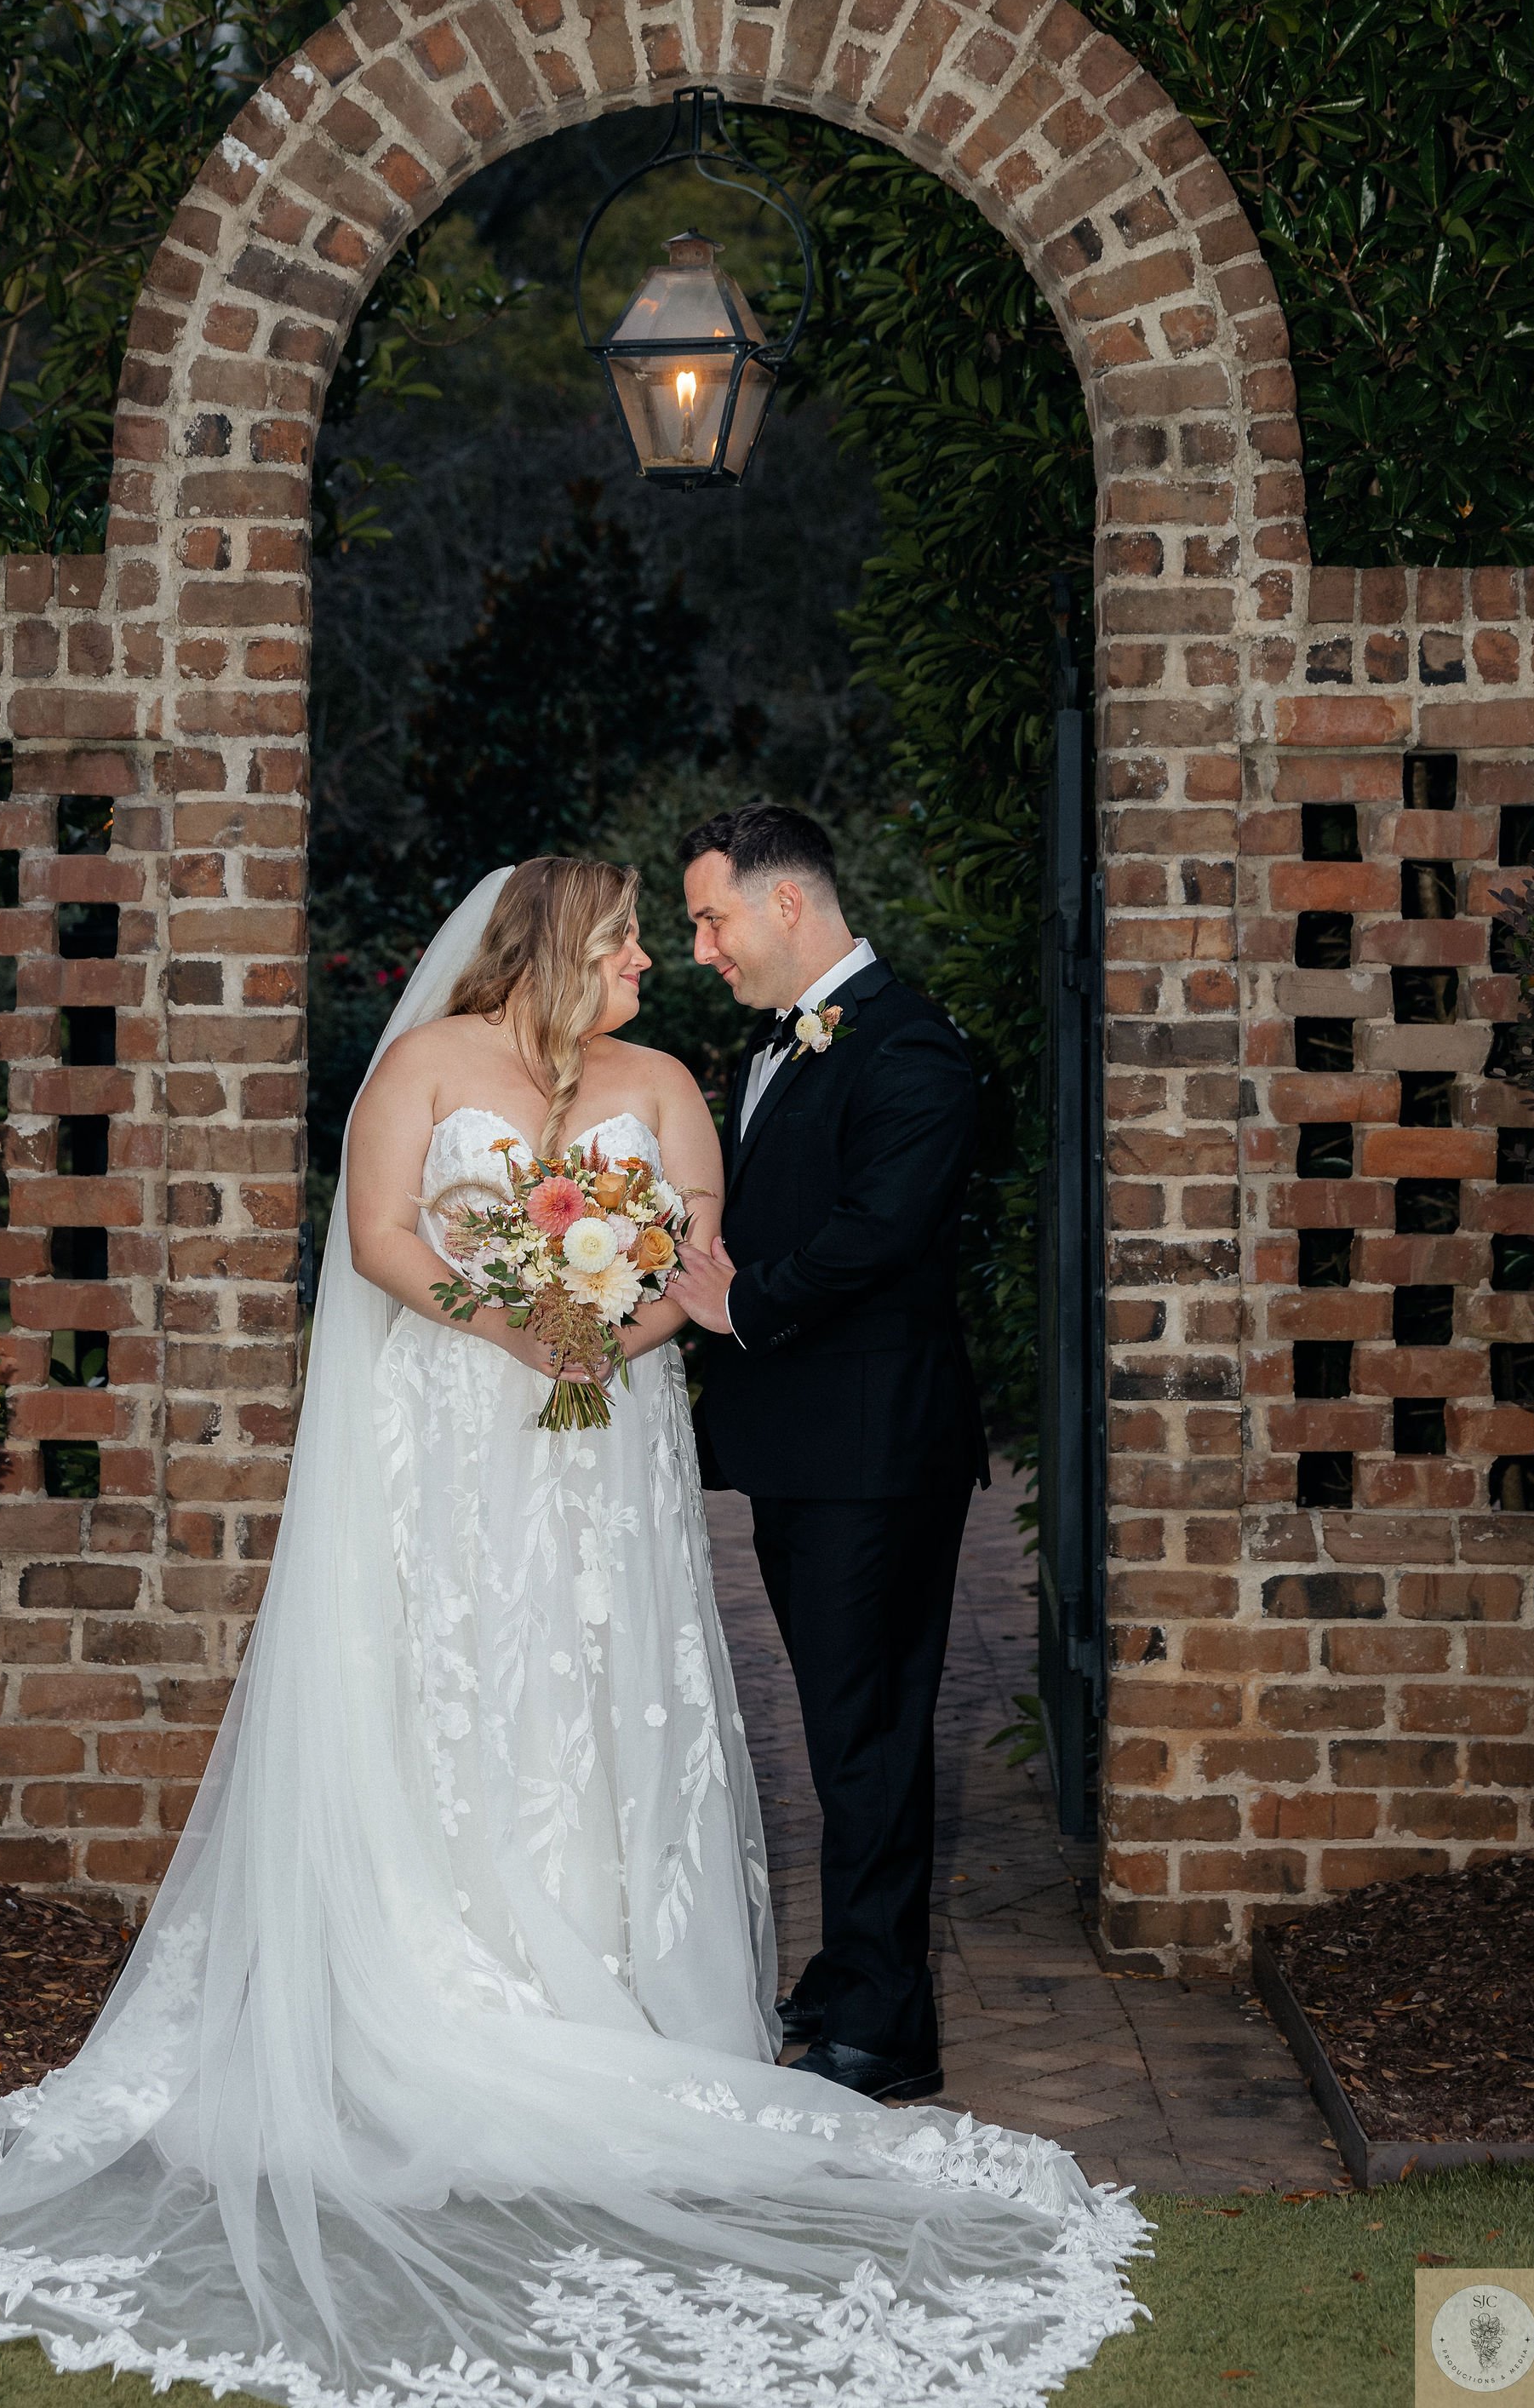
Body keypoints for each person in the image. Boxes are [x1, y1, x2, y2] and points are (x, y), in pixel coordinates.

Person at [0, 858, 1138, 2408]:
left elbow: (696, 1258)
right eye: (637, 935)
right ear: (560, 945)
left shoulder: (665, 1083)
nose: (660, 957)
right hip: (454, 1433)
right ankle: (443, 1980)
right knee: (453, 1681)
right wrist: (517, 1320)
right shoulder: (427, 1065)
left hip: (604, 1444)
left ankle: (613, 1982)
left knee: (600, 1690)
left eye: (674, 929)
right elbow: (382, 1239)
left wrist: (610, 1323)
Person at [672, 803, 987, 2102]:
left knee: (869, 1731)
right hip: (804, 1444)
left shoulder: (913, 1049)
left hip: (878, 1447)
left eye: (712, 918)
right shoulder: (777, 1046)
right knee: (838, 1721)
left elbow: (879, 1234)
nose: (701, 948)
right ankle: (854, 1968)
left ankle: (887, 2024)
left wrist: (735, 1303)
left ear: (786, 903)